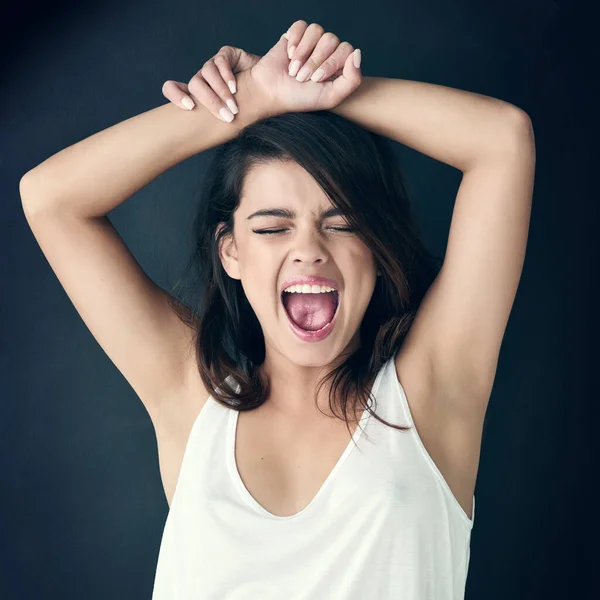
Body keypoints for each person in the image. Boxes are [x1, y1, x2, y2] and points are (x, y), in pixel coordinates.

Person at [19, 19, 535, 600]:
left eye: (342, 225)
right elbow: (50, 200)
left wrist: (330, 87)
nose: (309, 251)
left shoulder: (431, 394)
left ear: (375, 249)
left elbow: (502, 141)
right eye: (272, 227)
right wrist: (255, 99)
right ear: (231, 252)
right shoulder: (191, 400)